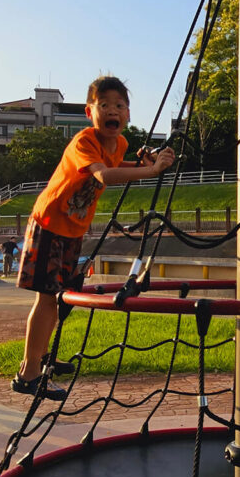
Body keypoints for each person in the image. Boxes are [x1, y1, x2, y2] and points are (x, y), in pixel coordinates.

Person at [13, 75, 175, 401]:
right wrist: (151, 171)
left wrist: (143, 161)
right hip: (49, 223)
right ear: (90, 112)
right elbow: (105, 174)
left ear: (128, 114)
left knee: (60, 299)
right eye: (104, 105)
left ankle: (41, 355)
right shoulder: (84, 142)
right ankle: (28, 373)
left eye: (119, 105)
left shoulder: (122, 144)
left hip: (72, 229)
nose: (112, 110)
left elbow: (118, 163)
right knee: (47, 299)